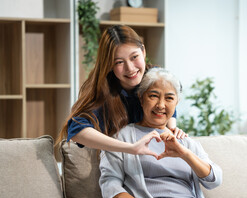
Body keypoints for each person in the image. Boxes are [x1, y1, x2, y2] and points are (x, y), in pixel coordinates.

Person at [99, 68, 247, 198]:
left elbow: (214, 179)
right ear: (141, 99)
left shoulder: (184, 141)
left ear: (176, 102)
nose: (161, 105)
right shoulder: (123, 138)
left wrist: (184, 153)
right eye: (153, 96)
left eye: (169, 98)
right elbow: (110, 190)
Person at [57, 25, 185, 158]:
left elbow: (169, 98)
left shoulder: (155, 77)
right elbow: (76, 130)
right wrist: (131, 148)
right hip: (122, 161)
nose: (130, 68)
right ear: (109, 64)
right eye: (119, 62)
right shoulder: (105, 92)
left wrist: (171, 128)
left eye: (134, 57)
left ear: (143, 51)